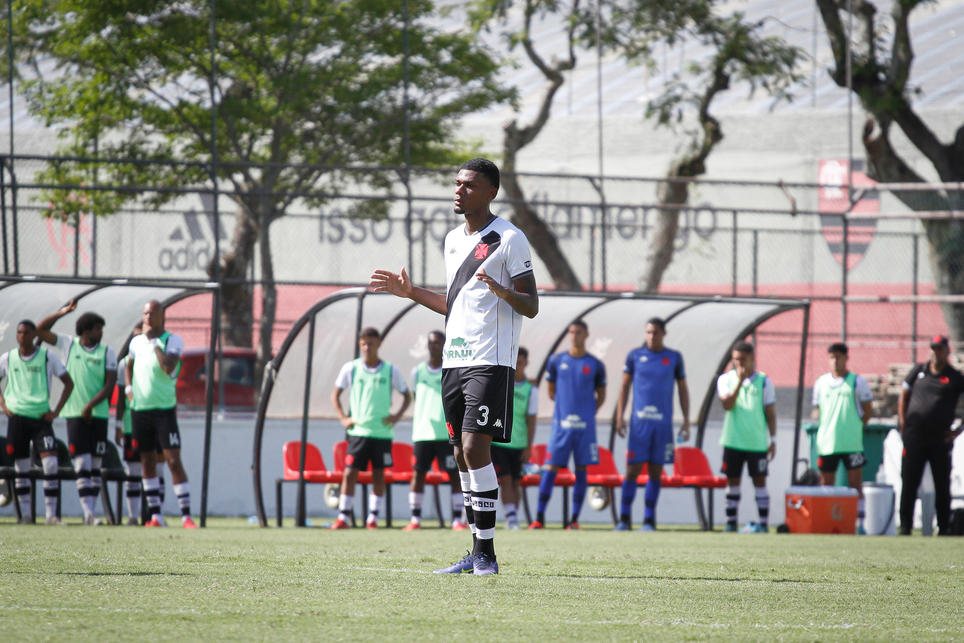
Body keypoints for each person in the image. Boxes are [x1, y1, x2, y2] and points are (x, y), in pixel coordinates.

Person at [371, 157, 538, 576]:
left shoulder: (509, 238)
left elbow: (532, 305)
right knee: (461, 456)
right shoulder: (451, 240)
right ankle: (475, 550)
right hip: (454, 361)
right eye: (458, 183)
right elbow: (453, 304)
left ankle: (487, 555)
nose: (459, 190)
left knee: (475, 448)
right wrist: (411, 292)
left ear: (491, 193)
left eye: (470, 185)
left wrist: (505, 293)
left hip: (490, 361)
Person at [36, 299, 118, 525]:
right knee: (82, 464)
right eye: (98, 328)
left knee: (96, 466)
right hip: (74, 414)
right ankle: (89, 513)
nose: (101, 332)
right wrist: (62, 312)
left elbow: (110, 384)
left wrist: (90, 405)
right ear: (86, 330)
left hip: (98, 415)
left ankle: (89, 513)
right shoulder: (68, 344)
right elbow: (39, 330)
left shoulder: (107, 352)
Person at [329, 327, 411, 530]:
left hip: (381, 433)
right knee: (350, 473)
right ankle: (343, 517)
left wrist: (396, 416)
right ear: (360, 344)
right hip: (358, 432)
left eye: (371, 343)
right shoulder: (351, 368)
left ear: (379, 344)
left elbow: (407, 396)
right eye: (364, 343)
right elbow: (335, 395)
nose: (367, 347)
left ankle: (372, 518)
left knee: (378, 475)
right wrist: (343, 418)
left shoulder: (391, 370)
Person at [614, 317, 689, 531]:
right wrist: (619, 416)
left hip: (663, 425)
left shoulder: (673, 357)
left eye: (655, 332)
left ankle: (648, 520)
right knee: (633, 470)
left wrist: (686, 420)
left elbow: (683, 389)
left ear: (664, 334)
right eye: (648, 332)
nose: (651, 336)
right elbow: (624, 386)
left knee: (656, 471)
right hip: (639, 424)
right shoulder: (635, 356)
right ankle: (624, 519)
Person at [127, 300, 197, 528]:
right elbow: (128, 365)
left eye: (152, 313)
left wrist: (154, 343)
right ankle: (156, 516)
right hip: (140, 411)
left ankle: (186, 516)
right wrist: (129, 390)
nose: (148, 317)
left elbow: (168, 367)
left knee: (173, 461)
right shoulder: (135, 342)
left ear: (162, 316)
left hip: (164, 411)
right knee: (147, 461)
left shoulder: (172, 340)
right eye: (145, 313)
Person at [530, 321, 606, 530]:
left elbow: (601, 395)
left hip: (584, 428)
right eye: (572, 332)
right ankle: (539, 518)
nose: (574, 336)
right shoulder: (557, 360)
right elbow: (551, 392)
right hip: (561, 427)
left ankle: (574, 520)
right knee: (550, 468)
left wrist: (587, 412)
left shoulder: (595, 364)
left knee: (581, 470)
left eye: (578, 332)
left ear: (586, 334)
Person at [0, 320, 73, 524]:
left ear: (34, 335)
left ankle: (51, 516)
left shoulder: (47, 356)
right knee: (21, 467)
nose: (22, 335)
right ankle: (26, 516)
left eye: (26, 332)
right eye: (19, 332)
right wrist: (4, 404)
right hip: (17, 418)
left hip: (41, 418)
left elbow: (68, 382)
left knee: (51, 464)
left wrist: (56, 411)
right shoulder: (8, 358)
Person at [897, 335, 964, 536]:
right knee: (910, 482)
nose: (936, 353)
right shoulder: (919, 371)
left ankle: (943, 527)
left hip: (939, 439)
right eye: (933, 349)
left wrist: (958, 430)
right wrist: (903, 424)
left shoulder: (954, 377)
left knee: (941, 484)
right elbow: (904, 395)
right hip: (915, 437)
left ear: (947, 351)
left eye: (940, 349)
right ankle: (905, 526)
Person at [403, 330, 464, 531]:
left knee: (454, 475)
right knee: (418, 474)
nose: (433, 346)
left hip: (446, 433)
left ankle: (457, 519)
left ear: (445, 345)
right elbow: (415, 397)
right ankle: (415, 519)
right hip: (423, 433)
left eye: (437, 342)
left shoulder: (451, 370)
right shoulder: (417, 372)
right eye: (431, 342)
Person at [811, 342, 874, 534]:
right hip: (827, 444)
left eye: (838, 357)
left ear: (846, 358)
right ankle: (827, 524)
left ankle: (860, 525)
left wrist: (855, 428)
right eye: (832, 357)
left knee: (855, 484)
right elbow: (817, 410)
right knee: (826, 486)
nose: (835, 361)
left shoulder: (857, 382)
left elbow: (868, 411)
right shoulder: (821, 383)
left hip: (851, 444)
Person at [717, 341, 776, 533]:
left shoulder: (764, 382)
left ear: (752, 358)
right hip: (733, 441)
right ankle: (731, 524)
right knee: (733, 482)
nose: (739, 363)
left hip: (756, 443)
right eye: (735, 359)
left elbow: (770, 413)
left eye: (743, 359)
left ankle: (764, 525)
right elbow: (727, 405)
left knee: (760, 482)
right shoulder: (726, 379)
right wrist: (739, 383)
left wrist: (773, 440)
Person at [115, 321, 167, 525]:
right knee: (134, 471)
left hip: (157, 420)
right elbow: (120, 398)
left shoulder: (158, 357)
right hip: (132, 424)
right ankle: (133, 517)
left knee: (159, 470)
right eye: (136, 336)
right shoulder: (125, 364)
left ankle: (156, 515)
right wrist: (118, 426)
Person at [491, 346, 537, 530]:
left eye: (520, 362)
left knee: (516, 482)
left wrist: (528, 447)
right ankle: (511, 518)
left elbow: (531, 420)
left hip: (519, 443)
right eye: (514, 362)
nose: (517, 366)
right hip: (500, 441)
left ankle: (513, 517)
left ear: (526, 363)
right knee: (506, 479)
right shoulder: (502, 381)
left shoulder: (531, 390)